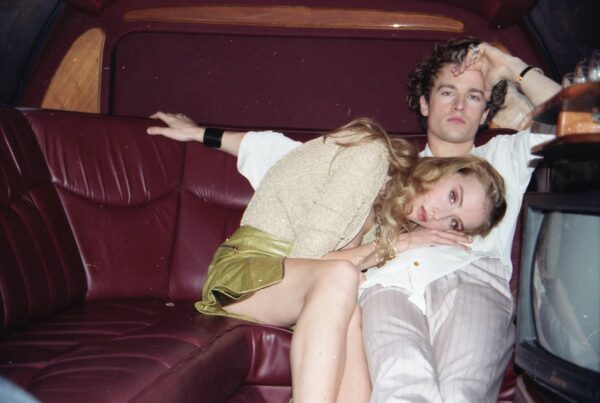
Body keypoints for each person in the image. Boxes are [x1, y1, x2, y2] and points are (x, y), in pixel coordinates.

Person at [148, 37, 561, 401]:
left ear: (486, 112)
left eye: (473, 97)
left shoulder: (502, 158)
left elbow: (583, 119)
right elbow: (284, 155)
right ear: (424, 103)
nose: (458, 105)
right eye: (447, 91)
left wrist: (509, 66)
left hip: (462, 284)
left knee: (456, 393)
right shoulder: (394, 168)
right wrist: (201, 134)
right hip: (383, 288)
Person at [148, 116, 507, 403]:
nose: (440, 216)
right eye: (453, 196)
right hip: (249, 271)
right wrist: (398, 245)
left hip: (297, 292)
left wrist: (393, 244)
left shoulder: (389, 216)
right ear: (443, 169)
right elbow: (309, 260)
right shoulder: (370, 157)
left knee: (356, 300)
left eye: (454, 224)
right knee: (344, 276)